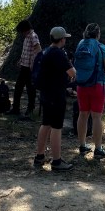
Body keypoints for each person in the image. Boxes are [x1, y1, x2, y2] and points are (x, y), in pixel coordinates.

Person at [34, 26, 75, 171]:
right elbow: (72, 72)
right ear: (62, 39)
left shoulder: (46, 51)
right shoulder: (58, 53)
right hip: (56, 95)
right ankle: (57, 161)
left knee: (45, 124)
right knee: (57, 127)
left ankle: (39, 156)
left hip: (46, 94)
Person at [75, 23, 105, 159]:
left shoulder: (81, 45)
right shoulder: (102, 47)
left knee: (82, 114)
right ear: (98, 34)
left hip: (81, 84)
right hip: (98, 84)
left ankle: (82, 145)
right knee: (96, 117)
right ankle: (98, 148)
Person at [8, 19, 40, 117]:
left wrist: (34, 63)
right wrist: (21, 60)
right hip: (24, 66)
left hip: (30, 68)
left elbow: (38, 49)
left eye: (22, 31)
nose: (21, 34)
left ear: (25, 29)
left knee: (30, 89)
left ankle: (30, 109)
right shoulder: (26, 37)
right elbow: (26, 51)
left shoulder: (33, 36)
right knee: (18, 87)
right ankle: (15, 108)